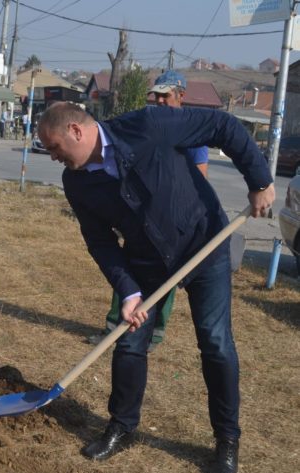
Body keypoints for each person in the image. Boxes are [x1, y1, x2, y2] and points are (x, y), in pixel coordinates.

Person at [37, 102, 274, 473]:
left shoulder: (148, 126)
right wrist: (128, 290)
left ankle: (227, 439)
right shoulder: (76, 182)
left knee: (215, 342)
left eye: (54, 147)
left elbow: (221, 125)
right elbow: (99, 242)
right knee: (129, 343)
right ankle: (122, 426)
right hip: (146, 262)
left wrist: (259, 181)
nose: (52, 157)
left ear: (76, 132)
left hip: (204, 243)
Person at [89, 70, 209, 351]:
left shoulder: (191, 131)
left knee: (167, 277)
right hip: (142, 214)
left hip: (175, 220)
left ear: (181, 96)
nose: (160, 101)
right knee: (127, 268)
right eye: (157, 96)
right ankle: (114, 329)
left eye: (166, 96)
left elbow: (200, 178)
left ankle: (154, 332)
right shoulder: (148, 124)